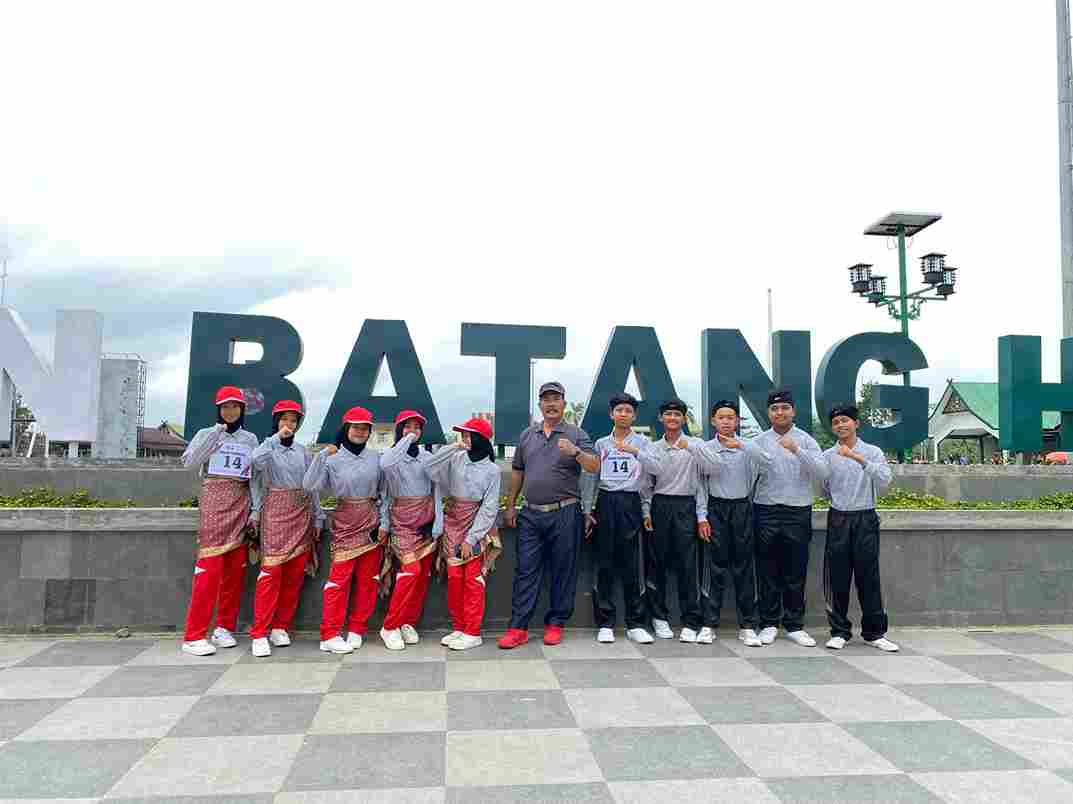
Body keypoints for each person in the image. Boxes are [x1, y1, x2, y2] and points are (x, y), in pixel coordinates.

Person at [499, 382, 599, 649]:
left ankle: (556, 623)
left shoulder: (576, 434)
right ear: (540, 404)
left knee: (563, 570)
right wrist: (511, 505)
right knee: (525, 570)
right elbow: (518, 470)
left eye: (556, 399)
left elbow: (594, 466)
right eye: (546, 399)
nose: (551, 403)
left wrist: (576, 452)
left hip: (565, 511)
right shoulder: (527, 435)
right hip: (530, 514)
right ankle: (518, 627)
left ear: (564, 404)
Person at [179, 386, 261, 656]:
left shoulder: (250, 439)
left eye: (235, 406)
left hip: (241, 503)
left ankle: (224, 627)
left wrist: (256, 510)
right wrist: (215, 434)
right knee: (208, 571)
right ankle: (194, 635)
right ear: (218, 409)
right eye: (225, 406)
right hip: (214, 503)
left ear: (242, 409)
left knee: (235, 572)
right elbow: (189, 463)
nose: (230, 411)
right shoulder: (206, 433)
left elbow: (255, 477)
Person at [581, 393, 664, 644]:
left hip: (631, 502)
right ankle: (605, 622)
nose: (624, 414)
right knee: (604, 562)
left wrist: (635, 452)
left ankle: (635, 623)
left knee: (632, 564)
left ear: (634, 415)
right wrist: (587, 510)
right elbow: (591, 476)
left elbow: (656, 470)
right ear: (611, 414)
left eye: (628, 410)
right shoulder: (601, 444)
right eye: (619, 410)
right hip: (606, 502)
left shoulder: (643, 442)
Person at [752, 389, 830, 647]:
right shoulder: (759, 441)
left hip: (797, 511)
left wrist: (797, 450)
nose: (780, 412)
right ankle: (768, 623)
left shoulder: (806, 440)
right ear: (769, 413)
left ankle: (794, 625)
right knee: (767, 570)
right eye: (775, 408)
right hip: (765, 510)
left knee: (795, 570)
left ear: (793, 411)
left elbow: (822, 472)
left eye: (785, 408)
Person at [302, 406, 383, 654]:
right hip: (345, 522)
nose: (360, 432)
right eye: (355, 427)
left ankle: (357, 628)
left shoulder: (376, 457)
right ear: (346, 428)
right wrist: (321, 455)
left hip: (371, 521)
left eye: (365, 428)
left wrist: (386, 523)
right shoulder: (333, 459)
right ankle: (329, 634)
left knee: (369, 580)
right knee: (338, 581)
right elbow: (309, 485)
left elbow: (385, 491)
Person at [249, 400, 324, 658]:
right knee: (270, 574)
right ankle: (259, 632)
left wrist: (318, 517)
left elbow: (312, 485)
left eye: (293, 421)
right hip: (275, 513)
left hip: (301, 513)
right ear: (275, 422)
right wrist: (275, 438)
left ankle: (281, 626)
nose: (289, 425)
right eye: (284, 419)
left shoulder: (303, 452)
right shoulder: (266, 448)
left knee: (294, 575)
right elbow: (255, 463)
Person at [822, 404, 898, 651]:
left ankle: (874, 633)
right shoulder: (827, 455)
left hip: (865, 517)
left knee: (869, 576)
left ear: (856, 423)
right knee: (837, 577)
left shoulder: (873, 452)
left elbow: (885, 479)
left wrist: (858, 458)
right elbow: (824, 488)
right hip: (838, 518)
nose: (840, 425)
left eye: (845, 420)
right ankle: (839, 632)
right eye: (836, 422)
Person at [426, 417, 502, 650]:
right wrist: (453, 446)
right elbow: (429, 468)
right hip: (452, 523)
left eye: (470, 435)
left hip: (477, 526)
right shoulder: (456, 458)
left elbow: (489, 507)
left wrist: (472, 538)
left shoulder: (493, 470)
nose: (465, 438)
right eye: (464, 434)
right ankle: (459, 627)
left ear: (481, 439)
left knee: (473, 581)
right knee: (455, 579)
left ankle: (472, 631)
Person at [640, 398, 712, 643]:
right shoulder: (652, 448)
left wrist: (701, 516)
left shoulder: (696, 445)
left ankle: (691, 621)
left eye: (677, 414)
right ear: (661, 418)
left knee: (688, 566)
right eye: (668, 414)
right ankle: (659, 618)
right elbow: (646, 484)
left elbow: (702, 483)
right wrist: (646, 511)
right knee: (657, 564)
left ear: (683, 418)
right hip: (660, 505)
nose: (672, 418)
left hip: (686, 506)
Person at [696, 400, 765, 648]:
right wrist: (702, 517)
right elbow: (699, 485)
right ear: (713, 421)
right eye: (721, 417)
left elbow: (767, 461)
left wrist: (742, 445)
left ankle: (747, 626)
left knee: (744, 568)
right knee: (713, 568)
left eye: (731, 417)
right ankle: (708, 624)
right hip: (715, 509)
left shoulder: (748, 447)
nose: (726, 421)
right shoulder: (705, 448)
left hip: (742, 509)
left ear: (737, 421)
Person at [379, 409, 442, 651]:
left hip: (425, 523)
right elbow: (385, 488)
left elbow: (437, 492)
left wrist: (438, 523)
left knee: (422, 576)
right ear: (399, 430)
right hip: (401, 524)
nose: (413, 431)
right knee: (410, 572)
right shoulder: (391, 457)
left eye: (417, 427)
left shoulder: (427, 457)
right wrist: (384, 524)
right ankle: (390, 626)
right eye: (407, 426)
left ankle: (407, 621)